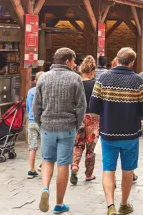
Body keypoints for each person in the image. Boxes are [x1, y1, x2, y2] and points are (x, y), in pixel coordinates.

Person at [89, 47, 143, 215]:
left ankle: (110, 206)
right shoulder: (138, 81)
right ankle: (124, 203)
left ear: (116, 59)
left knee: (108, 169)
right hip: (130, 134)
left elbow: (93, 107)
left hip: (108, 132)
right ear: (132, 62)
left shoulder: (103, 78)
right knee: (127, 170)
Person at [32, 48, 86, 214]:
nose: (76, 64)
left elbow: (36, 106)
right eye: (74, 61)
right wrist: (77, 124)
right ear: (68, 61)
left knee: (47, 159)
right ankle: (59, 203)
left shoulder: (43, 78)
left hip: (47, 126)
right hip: (67, 127)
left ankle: (45, 189)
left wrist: (41, 122)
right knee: (64, 163)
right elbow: (81, 106)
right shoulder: (76, 79)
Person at [71, 56, 100, 185]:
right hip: (93, 118)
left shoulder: (77, 84)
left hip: (79, 117)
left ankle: (75, 166)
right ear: (93, 70)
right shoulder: (96, 84)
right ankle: (89, 174)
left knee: (78, 144)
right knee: (90, 148)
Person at [26, 71, 44, 179]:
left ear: (35, 81)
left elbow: (28, 108)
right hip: (42, 122)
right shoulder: (45, 91)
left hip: (31, 121)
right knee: (45, 146)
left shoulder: (30, 91)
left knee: (32, 147)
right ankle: (43, 165)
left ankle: (31, 169)